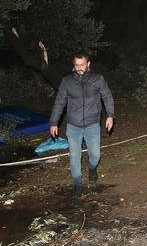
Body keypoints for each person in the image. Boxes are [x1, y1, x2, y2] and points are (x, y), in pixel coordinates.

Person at [49, 53, 115, 197]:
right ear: (74, 65)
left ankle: (92, 169)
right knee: (74, 157)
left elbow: (107, 97)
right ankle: (78, 184)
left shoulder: (97, 79)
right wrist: (54, 122)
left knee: (95, 155)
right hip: (73, 125)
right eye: (77, 65)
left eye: (82, 65)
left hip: (92, 123)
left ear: (88, 64)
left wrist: (110, 115)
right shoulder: (67, 81)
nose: (79, 68)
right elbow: (59, 102)